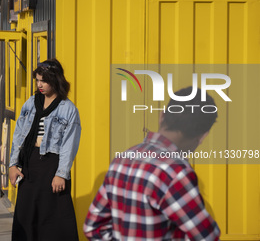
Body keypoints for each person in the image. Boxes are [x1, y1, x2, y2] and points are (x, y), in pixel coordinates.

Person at [83, 87, 221, 241]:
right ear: (202, 136)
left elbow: (93, 227)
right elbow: (206, 237)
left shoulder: (121, 160)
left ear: (162, 116)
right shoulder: (176, 172)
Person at [9, 59, 81, 240]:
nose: (40, 85)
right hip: (29, 163)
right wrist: (12, 164)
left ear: (56, 80)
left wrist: (61, 174)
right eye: (37, 80)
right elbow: (18, 134)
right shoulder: (31, 102)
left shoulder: (68, 109)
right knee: (26, 214)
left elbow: (69, 145)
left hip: (52, 165)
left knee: (54, 217)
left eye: (44, 81)